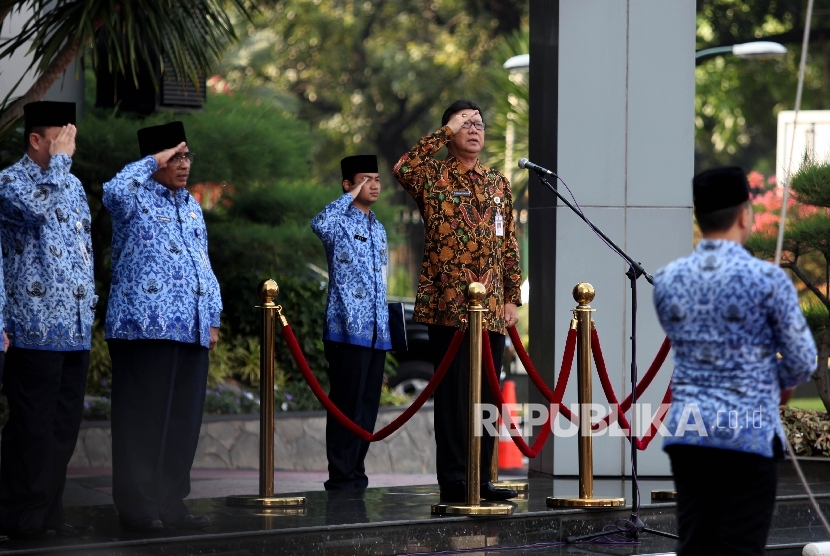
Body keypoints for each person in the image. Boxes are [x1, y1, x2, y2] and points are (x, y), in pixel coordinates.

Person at [653, 166, 817, 556]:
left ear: (699, 216)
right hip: (748, 434)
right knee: (741, 546)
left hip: (689, 432)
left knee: (696, 545)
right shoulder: (768, 280)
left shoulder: (667, 279)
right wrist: (771, 381)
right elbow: (802, 360)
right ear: (745, 214)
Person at [393, 100, 522, 502]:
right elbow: (402, 168)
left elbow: (509, 244)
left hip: (493, 307)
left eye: (479, 123)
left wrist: (512, 297)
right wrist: (443, 131)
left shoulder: (497, 181)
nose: (474, 129)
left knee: (486, 392)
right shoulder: (432, 175)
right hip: (447, 303)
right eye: (465, 124)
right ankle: (454, 477)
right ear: (449, 131)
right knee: (453, 394)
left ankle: (482, 477)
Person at [103, 121, 222, 532]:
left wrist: (212, 317)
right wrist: (151, 161)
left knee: (182, 423)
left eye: (186, 155)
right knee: (143, 421)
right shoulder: (132, 196)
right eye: (175, 157)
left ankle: (172, 505)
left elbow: (202, 264)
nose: (184, 164)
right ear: (154, 160)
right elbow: (111, 191)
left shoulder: (189, 204)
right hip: (143, 327)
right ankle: (138, 508)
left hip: (189, 328)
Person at [0, 101, 95, 538]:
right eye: (61, 138)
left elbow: (83, 249)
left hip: (73, 328)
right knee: (31, 428)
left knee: (62, 428)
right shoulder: (9, 181)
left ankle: (51, 513)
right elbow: (36, 209)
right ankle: (22, 516)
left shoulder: (72, 185)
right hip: (33, 327)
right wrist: (59, 164)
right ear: (36, 140)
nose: (68, 147)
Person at [311, 155, 391, 490]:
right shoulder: (338, 222)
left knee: (367, 407)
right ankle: (341, 475)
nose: (373, 184)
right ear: (348, 184)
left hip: (376, 332)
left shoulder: (379, 227)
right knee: (345, 404)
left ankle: (356, 471)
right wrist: (348, 196)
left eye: (376, 178)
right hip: (346, 329)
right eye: (364, 179)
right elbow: (319, 223)